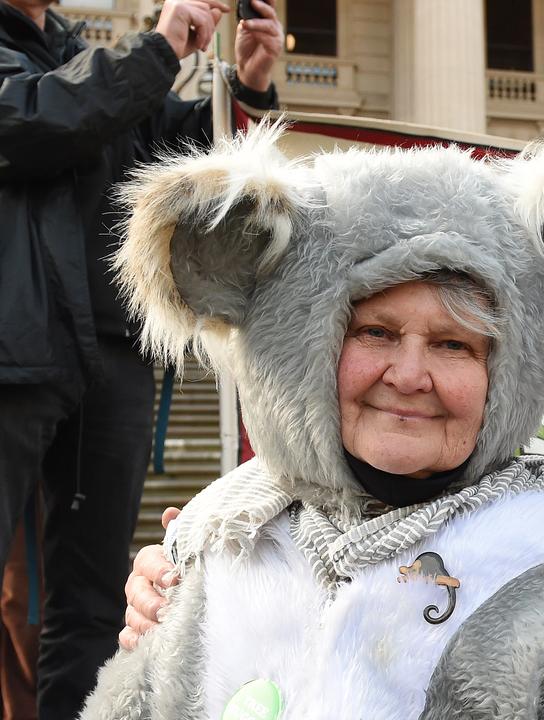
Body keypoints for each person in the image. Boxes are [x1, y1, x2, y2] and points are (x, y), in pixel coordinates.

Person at [79, 120, 544, 718]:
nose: (408, 375)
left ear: (507, 374)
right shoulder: (214, 552)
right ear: (300, 347)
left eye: (454, 345)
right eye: (375, 332)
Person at [0, 0, 280, 715]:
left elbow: (176, 157)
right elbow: (37, 119)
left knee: (92, 602)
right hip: (11, 351)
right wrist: (157, 50)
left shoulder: (73, 50)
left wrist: (244, 87)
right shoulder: (69, 67)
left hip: (110, 355)